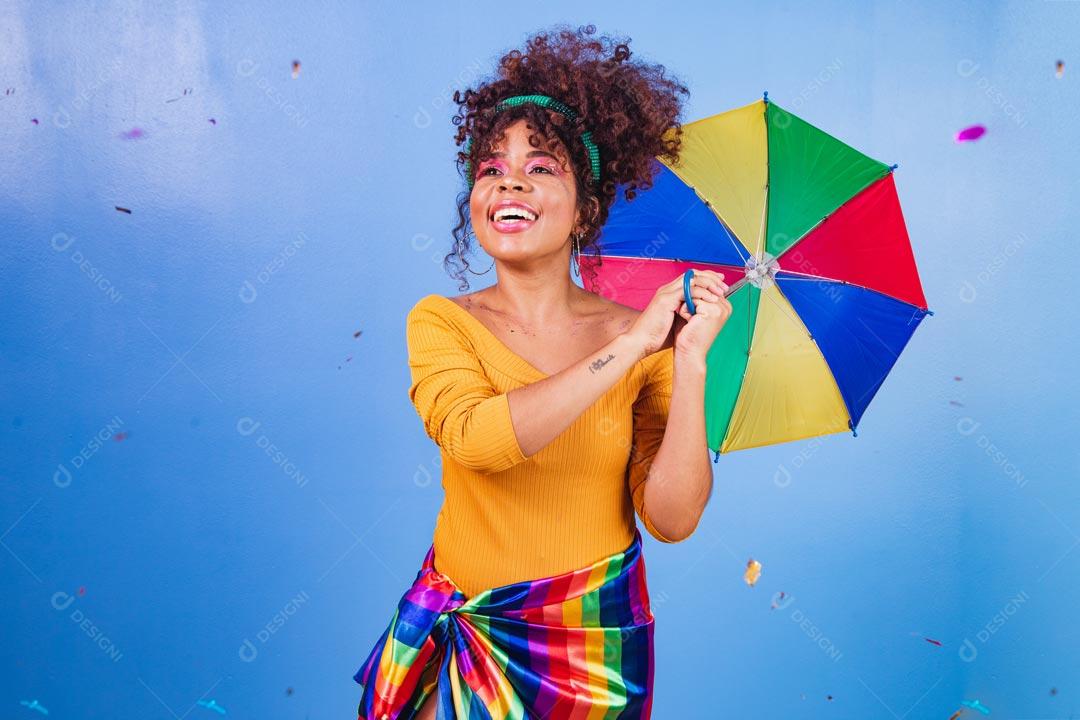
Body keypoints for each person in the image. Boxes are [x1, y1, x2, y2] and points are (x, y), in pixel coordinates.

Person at [354, 24, 732, 719]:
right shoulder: (440, 322)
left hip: (592, 647)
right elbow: (477, 440)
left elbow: (673, 518)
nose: (511, 180)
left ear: (586, 211)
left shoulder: (647, 339)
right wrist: (632, 343)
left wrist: (688, 358)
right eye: (491, 167)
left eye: (542, 166)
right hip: (463, 634)